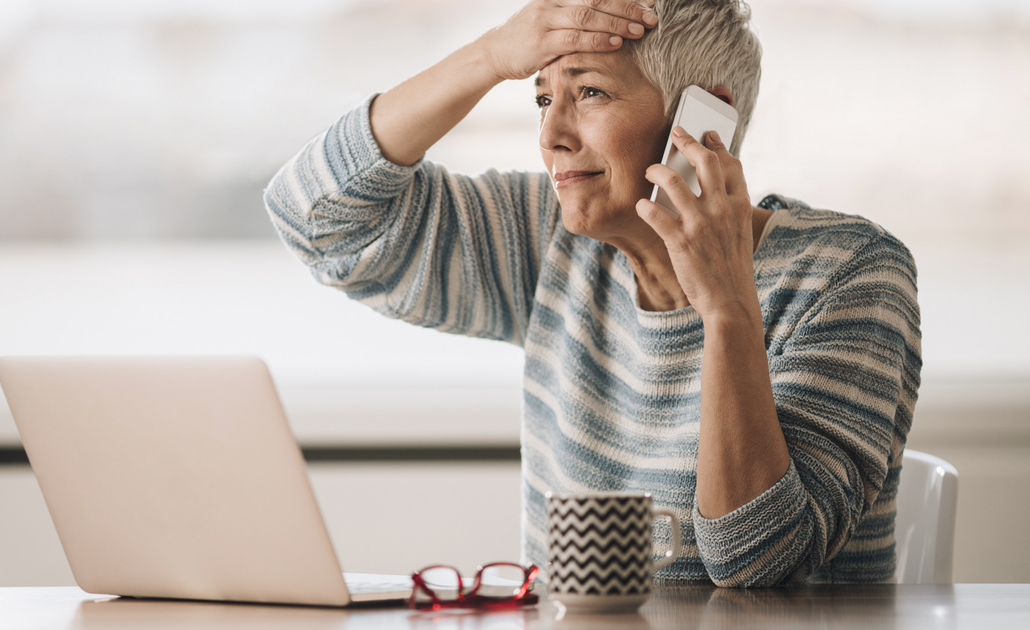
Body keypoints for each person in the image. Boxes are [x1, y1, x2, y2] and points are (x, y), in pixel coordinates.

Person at [264, 0, 921, 587]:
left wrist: (726, 310)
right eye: (543, 98)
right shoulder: (551, 240)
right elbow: (314, 216)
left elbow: (758, 559)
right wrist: (490, 56)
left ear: (705, 124)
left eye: (592, 92)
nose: (552, 135)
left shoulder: (849, 273)